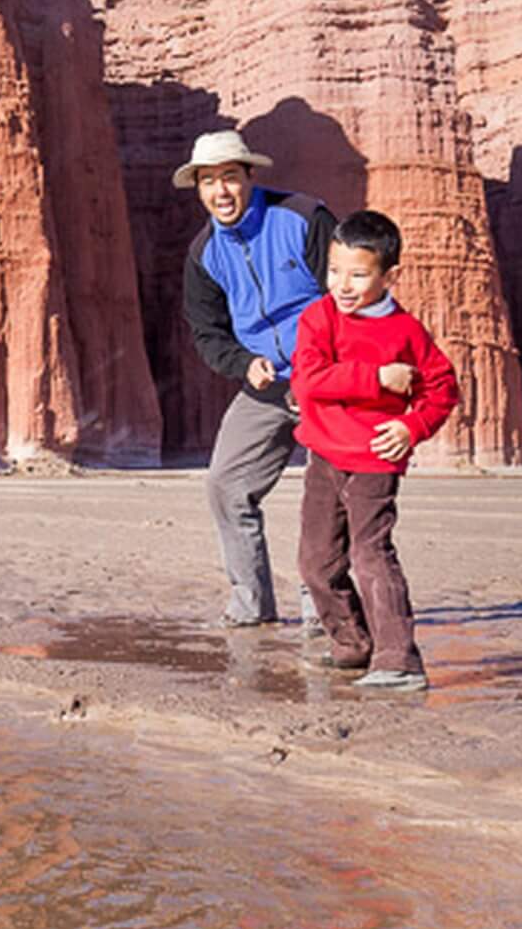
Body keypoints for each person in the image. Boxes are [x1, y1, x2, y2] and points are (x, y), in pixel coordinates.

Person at [289, 208, 458, 691]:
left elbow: (442, 389)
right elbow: (307, 382)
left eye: (358, 275)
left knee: (371, 556)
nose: (342, 284)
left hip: (374, 460)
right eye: (334, 270)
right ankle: (352, 645)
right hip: (324, 456)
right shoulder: (318, 317)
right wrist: (377, 378)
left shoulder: (406, 332)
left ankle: (399, 660)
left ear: (389, 276)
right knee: (315, 562)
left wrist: (412, 426)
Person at [177, 130, 334, 627]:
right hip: (265, 385)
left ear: (250, 176)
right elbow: (207, 334)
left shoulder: (304, 216)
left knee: (328, 490)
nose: (220, 191)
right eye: (208, 181)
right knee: (226, 485)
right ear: (198, 189)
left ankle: (324, 610)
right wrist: (243, 363)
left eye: (229, 177)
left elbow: (348, 292)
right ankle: (252, 606)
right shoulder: (203, 255)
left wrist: (327, 360)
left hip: (327, 376)